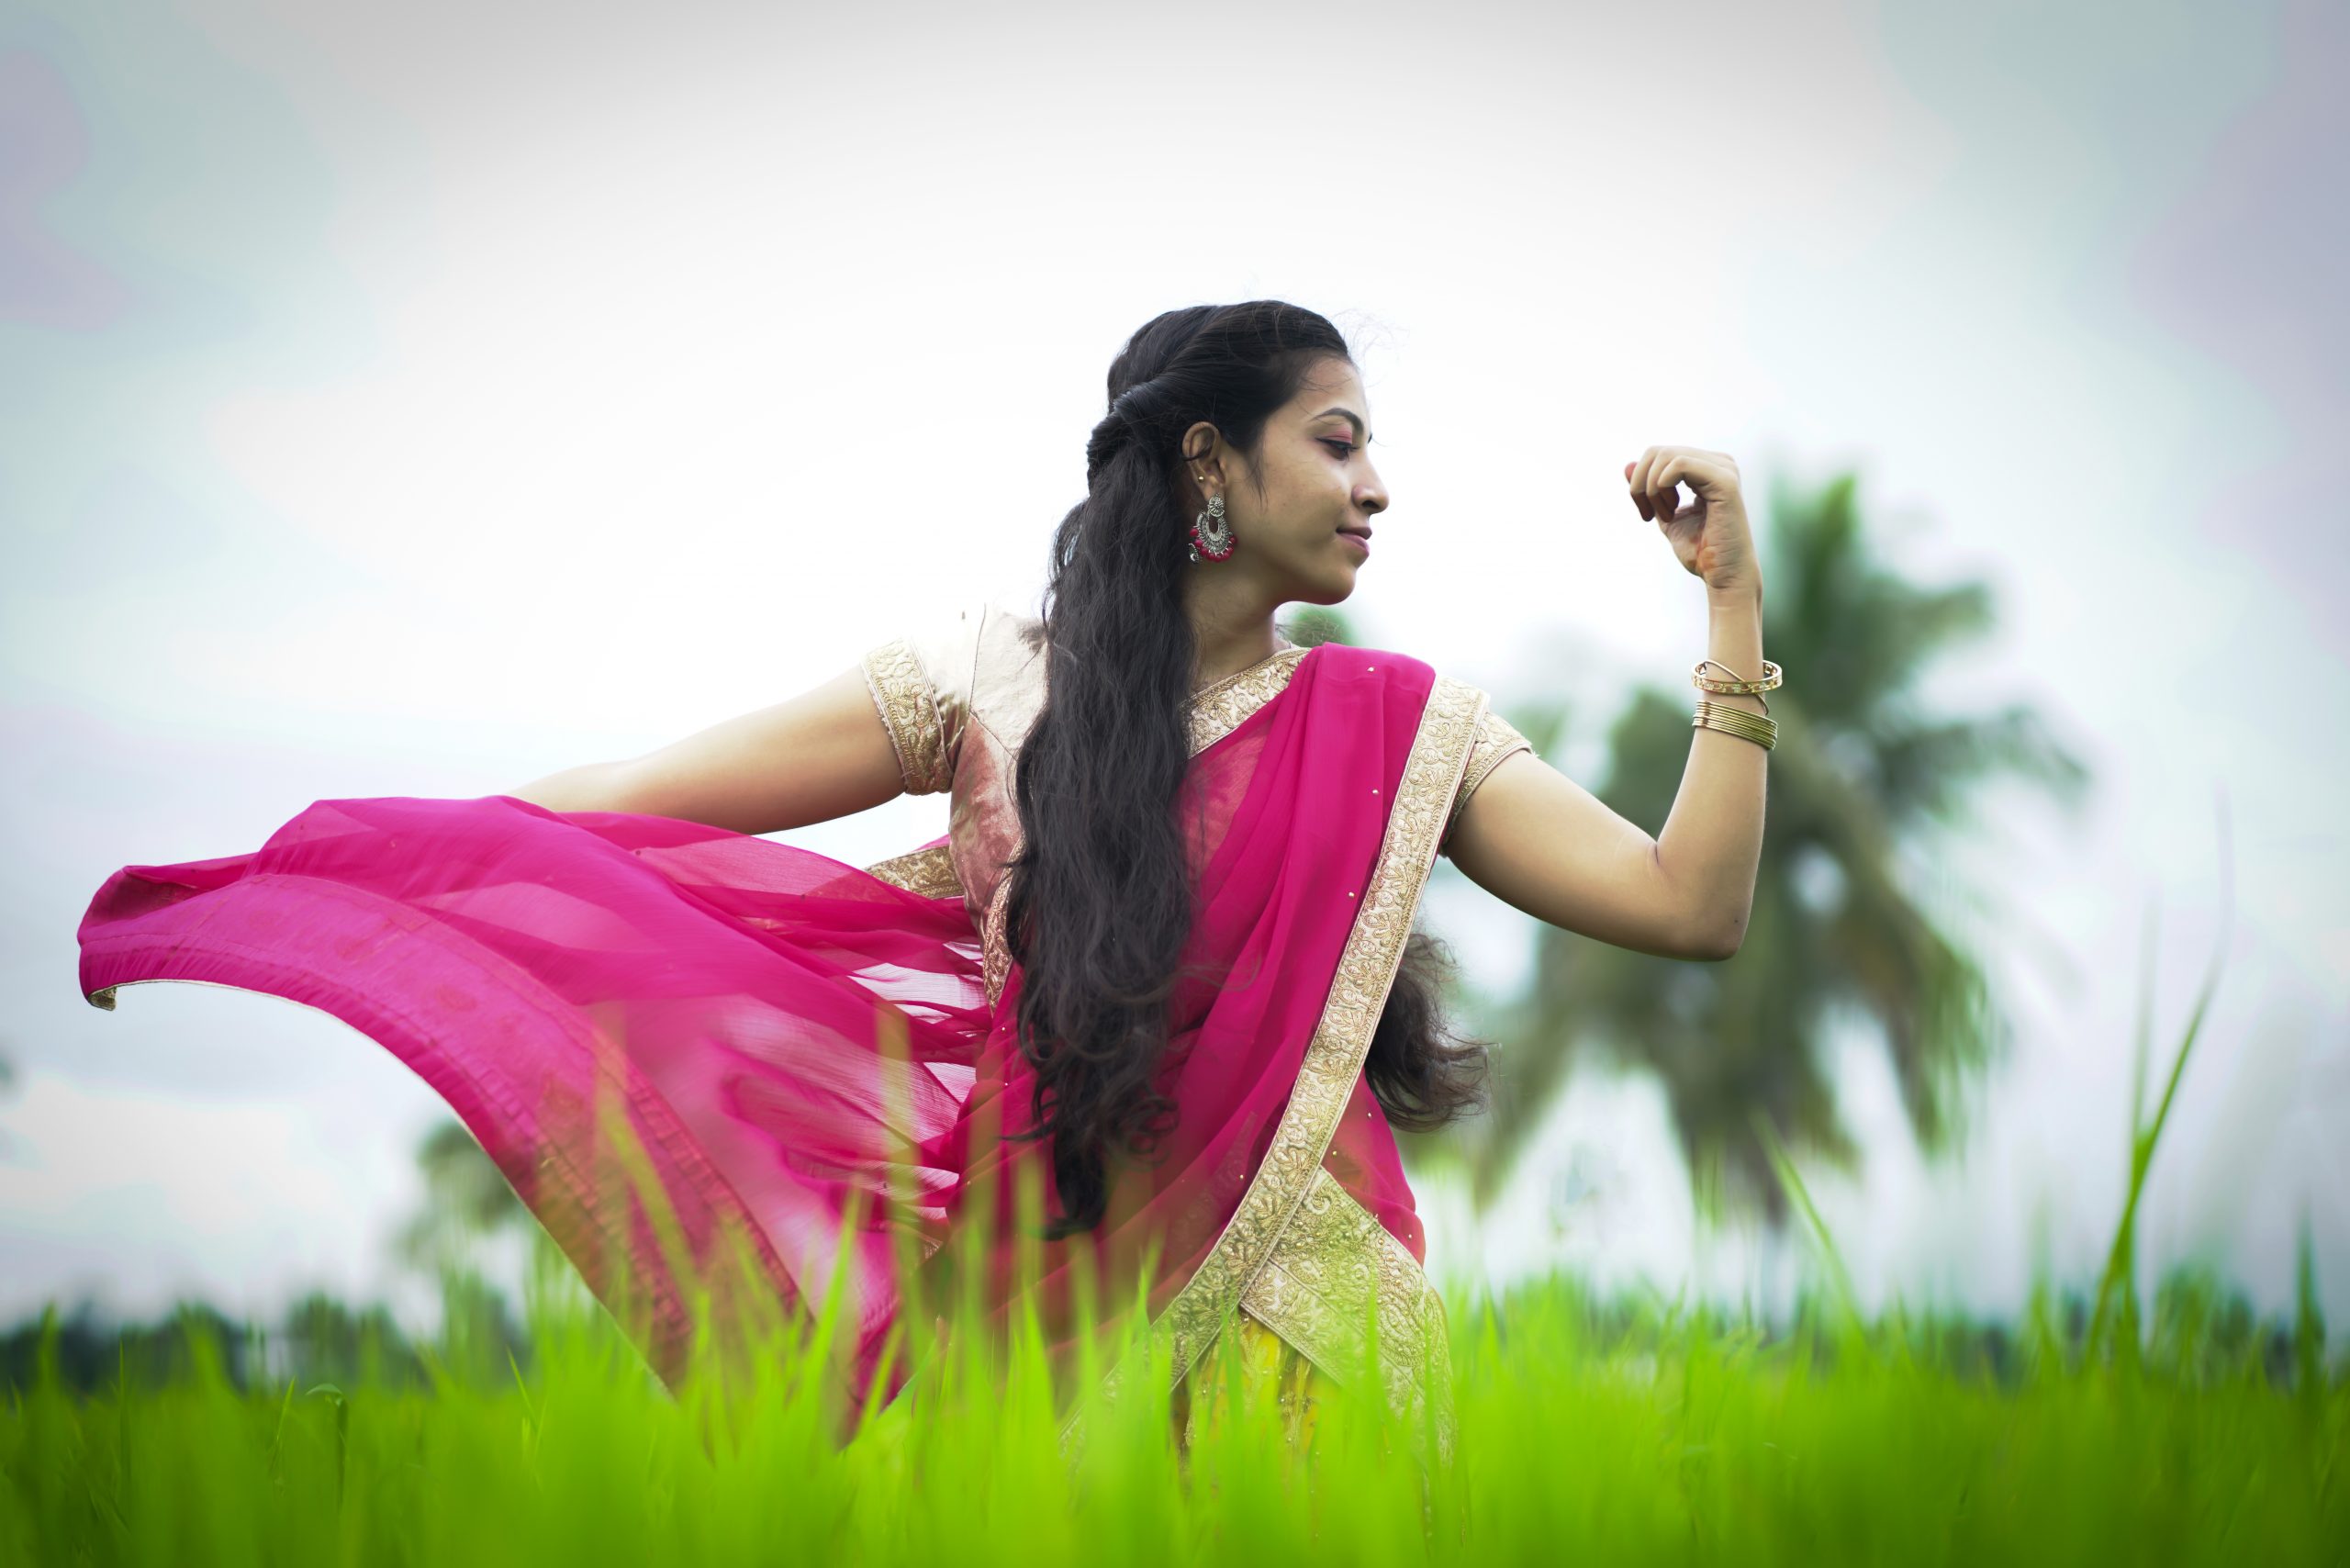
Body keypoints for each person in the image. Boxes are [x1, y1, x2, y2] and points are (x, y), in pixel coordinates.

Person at [75, 300, 1772, 1460]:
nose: (1377, 484)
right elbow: (635, 799)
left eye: (1372, 447)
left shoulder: (1403, 728)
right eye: (1335, 442)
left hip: (1310, 1326)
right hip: (1026, 1322)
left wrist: (1730, 608)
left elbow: (1690, 905)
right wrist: (356, 860)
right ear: (1206, 463)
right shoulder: (985, 680)